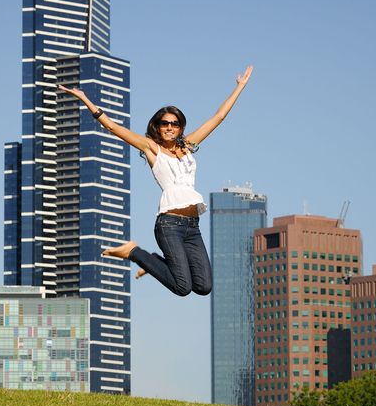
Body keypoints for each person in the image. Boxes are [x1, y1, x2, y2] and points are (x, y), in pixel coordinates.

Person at [58, 65, 253, 297]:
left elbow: (218, 117)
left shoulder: (188, 146)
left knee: (203, 286)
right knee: (183, 288)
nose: (169, 127)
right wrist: (85, 99)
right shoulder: (152, 149)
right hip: (169, 225)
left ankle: (153, 263)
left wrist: (239, 87)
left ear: (180, 127)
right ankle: (134, 251)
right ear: (158, 127)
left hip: (193, 227)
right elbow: (112, 126)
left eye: (174, 123)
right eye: (164, 123)